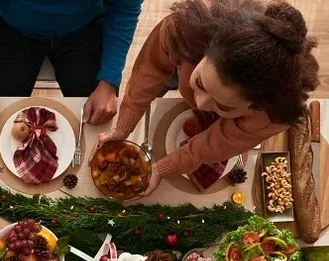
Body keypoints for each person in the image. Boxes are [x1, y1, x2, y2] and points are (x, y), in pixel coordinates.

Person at [94, 0, 320, 197]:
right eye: (201, 83)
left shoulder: (272, 116)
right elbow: (150, 70)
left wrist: (162, 168)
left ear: (257, 107)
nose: (199, 104)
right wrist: (125, 124)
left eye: (223, 106)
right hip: (184, 60)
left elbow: (215, 144)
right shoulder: (183, 32)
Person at [0, 0, 144, 125]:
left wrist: (109, 81)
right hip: (9, 27)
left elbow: (125, 8)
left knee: (97, 117)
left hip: (84, 27)